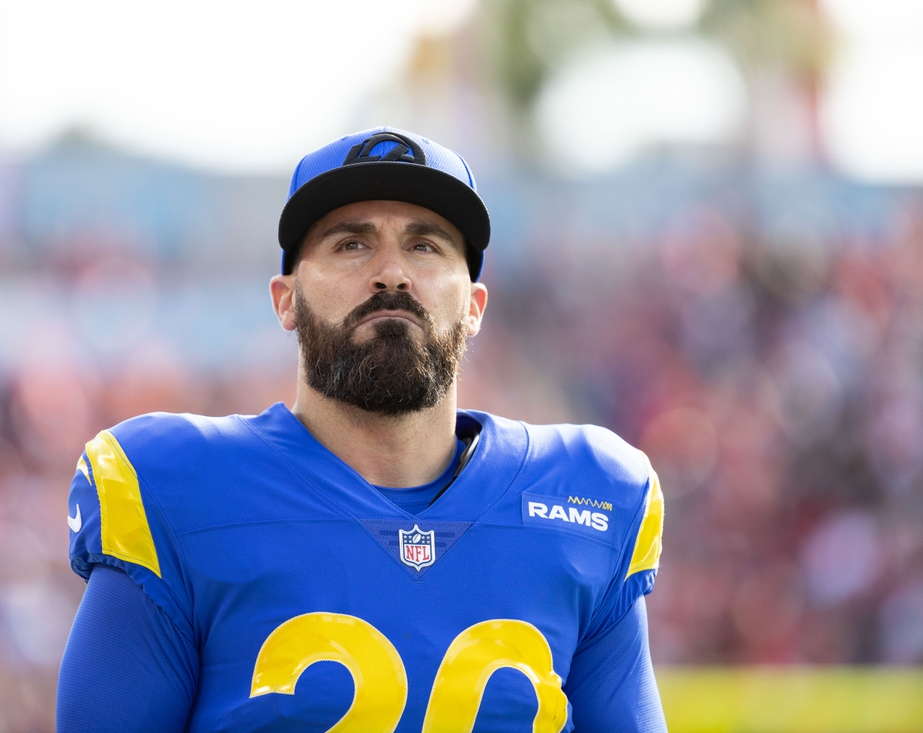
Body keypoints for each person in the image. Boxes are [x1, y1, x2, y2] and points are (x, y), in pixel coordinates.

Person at [56, 127, 667, 732]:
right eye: (351, 244)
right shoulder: (176, 489)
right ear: (285, 299)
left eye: (426, 245)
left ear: (475, 305)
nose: (393, 273)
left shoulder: (590, 493)